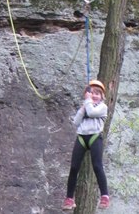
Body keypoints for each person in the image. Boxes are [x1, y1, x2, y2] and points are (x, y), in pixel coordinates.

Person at [62, 80, 110, 210]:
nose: (94, 96)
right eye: (92, 93)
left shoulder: (102, 107)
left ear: (102, 97)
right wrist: (83, 108)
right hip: (82, 137)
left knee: (97, 166)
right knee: (74, 168)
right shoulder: (86, 106)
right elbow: (76, 122)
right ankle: (69, 198)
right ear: (87, 95)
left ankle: (105, 196)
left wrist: (88, 102)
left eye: (97, 94)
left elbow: (93, 113)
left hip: (95, 137)